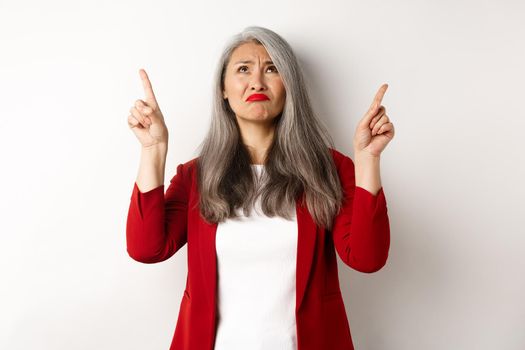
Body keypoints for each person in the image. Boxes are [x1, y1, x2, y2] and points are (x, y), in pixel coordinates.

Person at [126, 26, 394, 350]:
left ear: (289, 86)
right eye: (243, 69)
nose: (257, 81)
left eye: (271, 69)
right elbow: (146, 248)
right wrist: (153, 149)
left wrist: (367, 160)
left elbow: (367, 258)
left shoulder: (330, 169)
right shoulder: (197, 176)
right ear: (223, 89)